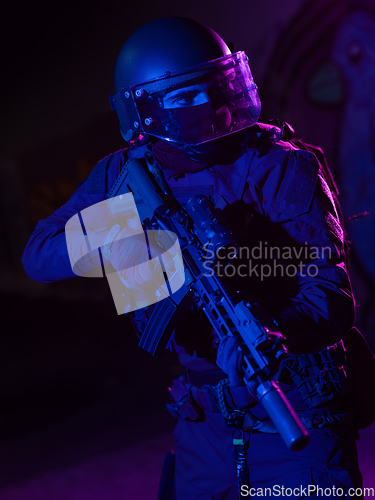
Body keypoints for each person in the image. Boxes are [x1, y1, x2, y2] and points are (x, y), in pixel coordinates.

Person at [22, 16, 365, 499]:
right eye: (184, 96)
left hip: (297, 408)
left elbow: (330, 297)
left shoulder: (279, 164)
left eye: (214, 88)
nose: (207, 105)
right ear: (144, 109)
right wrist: (127, 234)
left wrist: (277, 330)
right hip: (203, 424)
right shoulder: (125, 172)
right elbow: (38, 255)